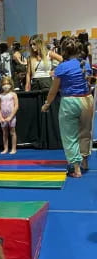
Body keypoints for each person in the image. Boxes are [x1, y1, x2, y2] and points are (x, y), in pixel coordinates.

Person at [42, 36, 94, 178]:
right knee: (85, 132)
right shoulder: (85, 64)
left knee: (69, 135)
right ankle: (84, 162)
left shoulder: (62, 68)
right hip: (87, 100)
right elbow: (88, 81)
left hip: (70, 102)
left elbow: (53, 91)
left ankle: (76, 169)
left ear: (64, 50)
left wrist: (47, 104)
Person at [0, 76, 19, 154]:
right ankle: (5, 148)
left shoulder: (13, 94)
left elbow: (16, 106)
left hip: (11, 116)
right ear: (1, 85)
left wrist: (10, 117)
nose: (6, 85)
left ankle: (13, 148)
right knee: (5, 133)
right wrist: (0, 117)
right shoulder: (0, 96)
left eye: (7, 83)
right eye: (4, 84)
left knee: (12, 132)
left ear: (10, 84)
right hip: (3, 117)